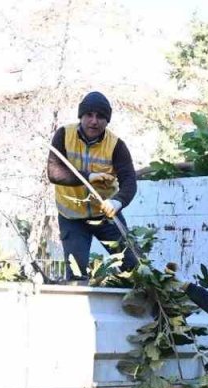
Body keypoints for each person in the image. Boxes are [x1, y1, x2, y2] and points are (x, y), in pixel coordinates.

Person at [46, 91, 139, 281]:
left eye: (100, 116)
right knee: (77, 276)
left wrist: (117, 203)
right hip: (71, 217)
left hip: (106, 215)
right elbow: (54, 173)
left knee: (134, 268)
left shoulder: (117, 146)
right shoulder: (63, 135)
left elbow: (129, 181)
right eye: (89, 115)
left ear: (107, 120)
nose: (94, 121)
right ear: (81, 116)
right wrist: (89, 177)